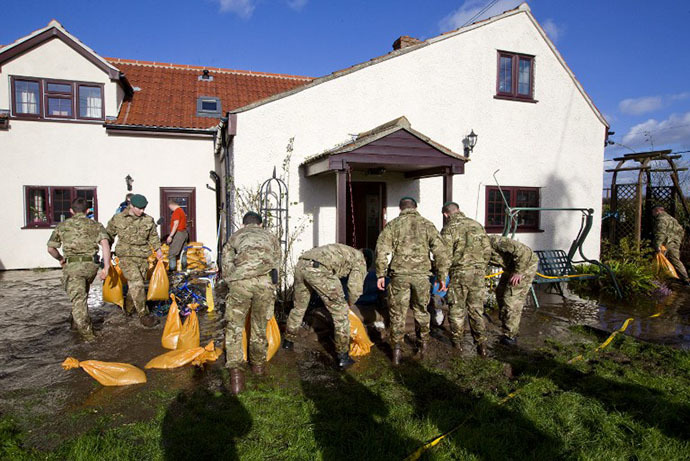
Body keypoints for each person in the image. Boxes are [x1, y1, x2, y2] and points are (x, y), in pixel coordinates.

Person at [375, 197, 450, 365]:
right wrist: (441, 276)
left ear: (400, 209)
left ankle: (396, 351)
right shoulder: (427, 225)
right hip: (421, 276)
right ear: (416, 208)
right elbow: (441, 252)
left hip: (399, 276)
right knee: (421, 310)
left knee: (397, 313)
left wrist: (380, 274)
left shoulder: (393, 225)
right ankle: (423, 345)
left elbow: (381, 250)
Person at [221, 211, 280, 395]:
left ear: (244, 224)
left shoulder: (235, 236)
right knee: (259, 326)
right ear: (260, 224)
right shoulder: (271, 237)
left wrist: (232, 280)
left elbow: (226, 264)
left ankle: (237, 376)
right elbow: (277, 265)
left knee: (235, 327)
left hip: (241, 283)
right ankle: (258, 367)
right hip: (264, 284)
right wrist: (271, 284)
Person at [283, 243, 367, 370]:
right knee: (341, 314)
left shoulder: (346, 250)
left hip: (301, 264)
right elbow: (355, 288)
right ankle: (343, 357)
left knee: (299, 307)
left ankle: (288, 342)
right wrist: (349, 303)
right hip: (319, 269)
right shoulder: (360, 259)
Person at [46, 198, 111, 341]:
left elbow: (51, 249)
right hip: (90, 267)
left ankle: (89, 337)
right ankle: (75, 324)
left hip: (73, 267)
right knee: (82, 295)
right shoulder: (96, 225)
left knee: (78, 300)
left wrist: (60, 259)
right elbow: (105, 245)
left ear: (71, 211)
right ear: (88, 211)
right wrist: (106, 267)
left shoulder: (63, 225)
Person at [440, 201, 492, 357]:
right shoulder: (476, 225)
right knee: (476, 309)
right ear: (459, 210)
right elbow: (487, 249)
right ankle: (481, 346)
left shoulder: (449, 229)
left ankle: (458, 345)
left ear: (445, 214)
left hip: (460, 273)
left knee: (456, 309)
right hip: (478, 273)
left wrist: (442, 276)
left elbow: (444, 256)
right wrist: (482, 267)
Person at [106, 194, 162, 327]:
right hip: (126, 257)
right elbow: (108, 236)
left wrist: (158, 250)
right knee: (136, 282)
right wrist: (106, 255)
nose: (142, 211)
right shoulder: (118, 219)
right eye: (139, 208)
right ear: (131, 205)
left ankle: (128, 311)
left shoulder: (148, 220)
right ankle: (144, 315)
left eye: (144, 208)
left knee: (135, 287)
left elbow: (153, 237)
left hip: (142, 257)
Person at [488, 235, 538, 346]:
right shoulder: (474, 249)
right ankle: (505, 323)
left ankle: (510, 336)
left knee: (511, 300)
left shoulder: (495, 242)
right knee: (500, 293)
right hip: (510, 267)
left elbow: (524, 253)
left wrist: (519, 272)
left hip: (526, 266)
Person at [652, 205, 689, 285]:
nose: (653, 214)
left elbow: (660, 233)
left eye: (653, 212)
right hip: (675, 243)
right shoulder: (672, 219)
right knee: (676, 260)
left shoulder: (661, 219)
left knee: (659, 262)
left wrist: (657, 245)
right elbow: (681, 230)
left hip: (665, 244)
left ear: (657, 210)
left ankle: (658, 281)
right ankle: (685, 279)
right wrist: (677, 241)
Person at [166, 198, 188, 272]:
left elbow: (176, 224)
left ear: (171, 205)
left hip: (179, 233)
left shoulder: (176, 212)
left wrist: (171, 236)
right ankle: (185, 270)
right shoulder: (182, 211)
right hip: (184, 233)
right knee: (183, 252)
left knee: (172, 253)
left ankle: (172, 272)